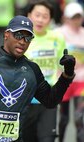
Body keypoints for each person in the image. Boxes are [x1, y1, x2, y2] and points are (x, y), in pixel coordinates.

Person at [21, 1, 66, 142]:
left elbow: (62, 65)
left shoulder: (57, 38)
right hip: (25, 99)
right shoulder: (21, 38)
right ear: (29, 16)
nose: (40, 20)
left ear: (50, 19)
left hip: (48, 99)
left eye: (45, 16)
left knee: (47, 139)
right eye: (37, 15)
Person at [55, 2, 84, 142]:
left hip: (81, 80)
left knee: (80, 117)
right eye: (73, 17)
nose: (76, 20)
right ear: (66, 17)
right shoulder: (58, 33)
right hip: (65, 79)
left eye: (79, 17)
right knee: (64, 118)